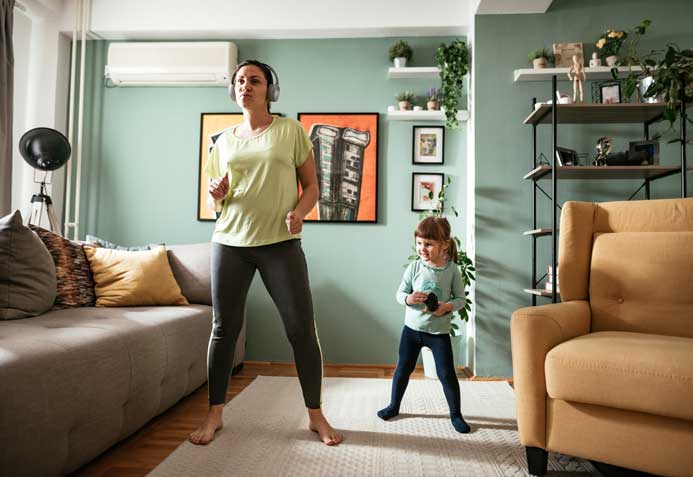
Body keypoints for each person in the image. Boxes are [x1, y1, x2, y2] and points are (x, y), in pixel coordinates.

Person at [189, 60, 343, 446]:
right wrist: (216, 195)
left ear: (270, 89)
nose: (245, 86)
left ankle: (315, 415)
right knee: (224, 330)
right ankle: (215, 415)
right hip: (230, 242)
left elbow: (311, 186)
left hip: (279, 244)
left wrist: (300, 214)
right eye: (240, 81)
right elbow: (216, 201)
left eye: (254, 80)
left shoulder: (289, 130)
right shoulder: (222, 142)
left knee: (301, 331)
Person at [377, 216, 471, 434]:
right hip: (412, 330)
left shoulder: (452, 271)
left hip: (438, 333)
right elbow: (400, 293)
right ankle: (394, 406)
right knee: (403, 369)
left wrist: (445, 307)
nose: (422, 248)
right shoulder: (414, 267)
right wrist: (409, 299)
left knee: (446, 373)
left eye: (428, 244)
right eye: (419, 243)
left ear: (444, 244)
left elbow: (461, 300)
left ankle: (456, 414)